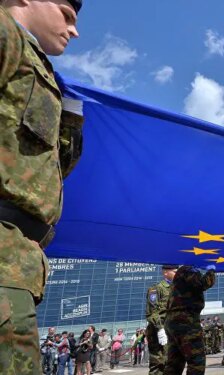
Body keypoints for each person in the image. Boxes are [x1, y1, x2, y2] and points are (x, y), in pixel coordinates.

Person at [0, 1, 84, 372]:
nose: (73, 29)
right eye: (66, 13)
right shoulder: (8, 38)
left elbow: (43, 169)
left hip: (17, 258)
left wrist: (70, 123)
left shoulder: (37, 67)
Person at [164, 264, 216, 374]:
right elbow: (203, 283)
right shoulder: (188, 270)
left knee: (174, 362)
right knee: (196, 361)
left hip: (174, 321)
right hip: (186, 322)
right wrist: (211, 271)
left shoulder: (182, 273)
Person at [145, 264, 177, 374]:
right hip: (158, 333)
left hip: (172, 332)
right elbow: (151, 312)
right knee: (158, 364)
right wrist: (160, 329)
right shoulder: (156, 289)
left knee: (172, 364)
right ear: (165, 273)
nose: (177, 274)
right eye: (175, 272)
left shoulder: (177, 289)